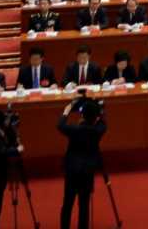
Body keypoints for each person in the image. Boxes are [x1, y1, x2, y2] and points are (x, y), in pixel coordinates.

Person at [57, 96, 107, 229]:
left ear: (82, 115)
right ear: (95, 117)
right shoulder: (97, 131)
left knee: (68, 203)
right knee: (84, 205)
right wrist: (100, 109)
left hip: (72, 171)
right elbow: (103, 122)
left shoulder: (74, 130)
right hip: (87, 172)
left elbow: (60, 125)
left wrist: (66, 111)